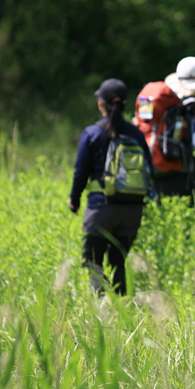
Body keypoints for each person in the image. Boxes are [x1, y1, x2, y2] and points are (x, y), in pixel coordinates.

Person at [69, 79, 153, 295]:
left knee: (92, 260)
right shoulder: (136, 134)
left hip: (101, 207)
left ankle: (104, 304)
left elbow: (81, 172)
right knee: (118, 262)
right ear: (125, 105)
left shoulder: (92, 133)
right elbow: (149, 169)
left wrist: (74, 200)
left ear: (100, 104)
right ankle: (123, 307)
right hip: (133, 209)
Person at [135, 56, 195, 203]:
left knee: (156, 212)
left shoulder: (164, 99)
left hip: (149, 164)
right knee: (181, 217)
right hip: (178, 168)